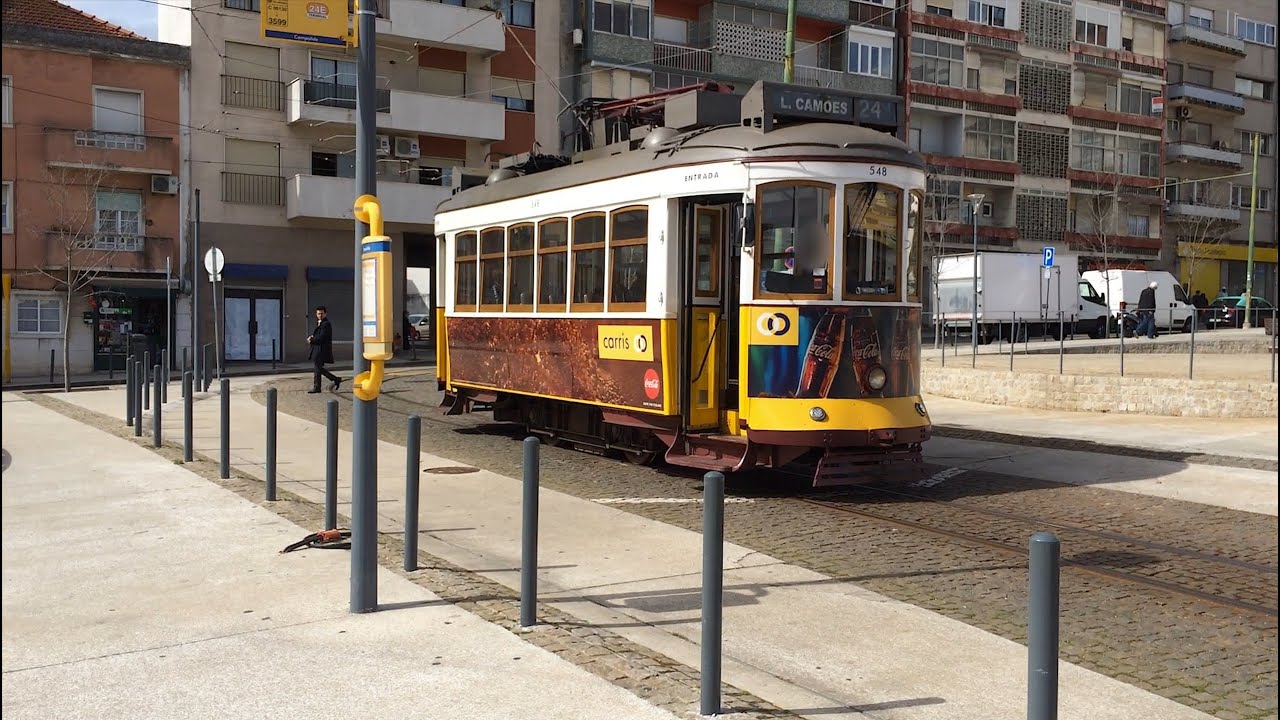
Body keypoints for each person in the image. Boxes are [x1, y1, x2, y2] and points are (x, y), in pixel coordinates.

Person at [307, 305, 342, 394]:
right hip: (318, 349)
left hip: (321, 350)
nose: (320, 315)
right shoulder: (320, 323)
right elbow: (319, 335)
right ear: (316, 314)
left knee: (317, 369)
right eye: (318, 314)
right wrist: (313, 337)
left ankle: (317, 387)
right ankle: (335, 379)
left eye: (322, 313)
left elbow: (322, 337)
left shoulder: (326, 324)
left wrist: (311, 339)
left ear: (325, 314)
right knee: (318, 368)